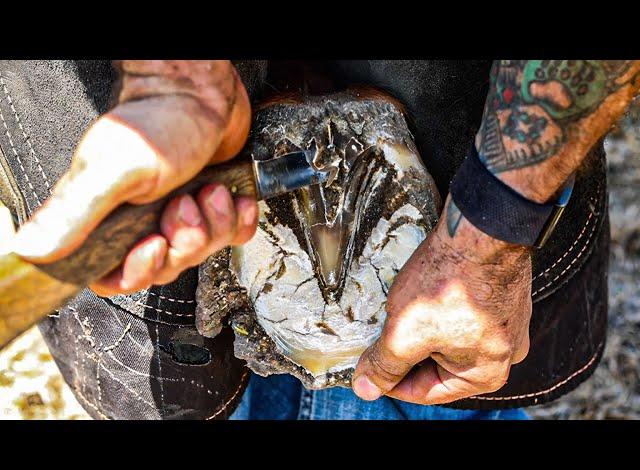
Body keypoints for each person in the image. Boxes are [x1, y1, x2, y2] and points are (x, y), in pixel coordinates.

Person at [1, 60, 635, 419]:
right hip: (132, 130)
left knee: (446, 372)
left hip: (471, 148)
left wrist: (493, 228)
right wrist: (176, 76)